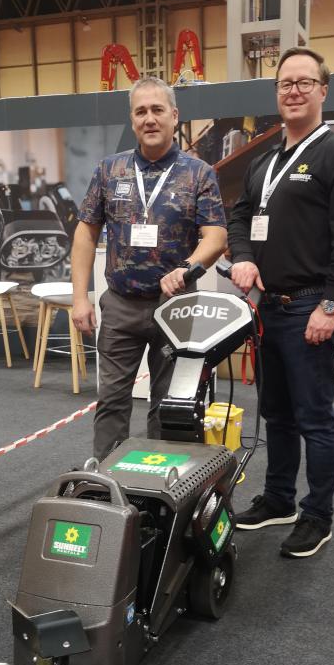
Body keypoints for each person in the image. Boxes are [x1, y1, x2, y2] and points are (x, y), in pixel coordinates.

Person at [227, 47, 334, 559]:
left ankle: (318, 516)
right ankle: (278, 499)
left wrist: (331, 306)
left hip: (311, 305)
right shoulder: (264, 162)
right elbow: (240, 218)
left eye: (304, 82)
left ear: (323, 90)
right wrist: (242, 258)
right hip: (268, 308)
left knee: (315, 418)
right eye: (285, 83)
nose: (293, 90)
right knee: (276, 413)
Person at [71, 76, 227, 461]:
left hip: (174, 305)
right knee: (111, 399)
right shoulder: (110, 170)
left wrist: (188, 268)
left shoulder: (199, 173)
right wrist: (80, 298)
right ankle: (105, 477)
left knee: (168, 402)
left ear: (174, 116)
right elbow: (85, 234)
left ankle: (159, 481)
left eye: (158, 110)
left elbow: (216, 236)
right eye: (141, 111)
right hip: (121, 305)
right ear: (132, 118)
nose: (150, 118)